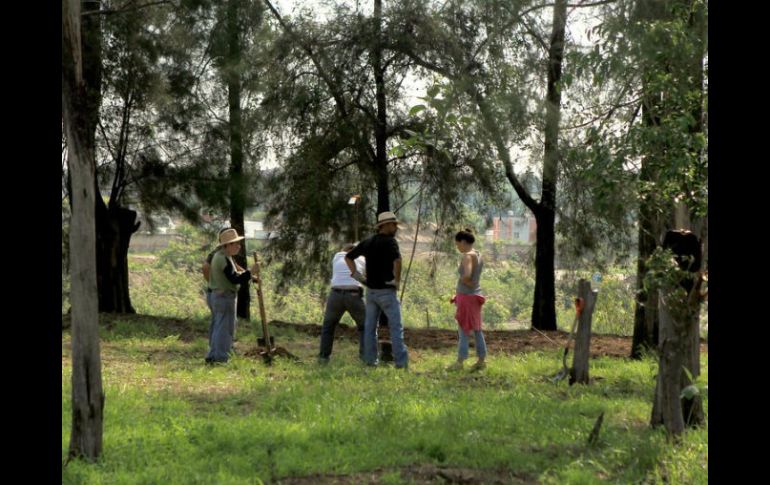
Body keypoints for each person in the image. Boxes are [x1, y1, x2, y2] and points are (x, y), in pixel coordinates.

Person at [345, 211, 409, 369]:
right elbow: (398, 260)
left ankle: (370, 361)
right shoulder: (390, 242)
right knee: (396, 327)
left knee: (370, 328)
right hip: (387, 290)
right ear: (385, 225)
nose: (395, 227)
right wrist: (397, 280)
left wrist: (357, 276)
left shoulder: (368, 242)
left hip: (371, 292)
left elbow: (348, 257)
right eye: (393, 224)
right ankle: (401, 363)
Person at [206, 228, 258, 364]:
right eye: (235, 243)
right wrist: (250, 272)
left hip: (219, 296)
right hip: (224, 297)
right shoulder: (222, 258)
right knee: (225, 328)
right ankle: (221, 358)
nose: (238, 246)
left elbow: (235, 274)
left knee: (218, 326)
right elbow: (234, 279)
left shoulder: (223, 256)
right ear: (227, 245)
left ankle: (213, 355)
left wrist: (249, 274)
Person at [446, 228, 488, 372]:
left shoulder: (467, 256)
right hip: (474, 297)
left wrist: (465, 284)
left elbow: (467, 276)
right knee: (477, 329)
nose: (457, 247)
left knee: (463, 329)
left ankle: (460, 360)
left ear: (463, 242)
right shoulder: (478, 254)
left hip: (467, 298)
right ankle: (482, 359)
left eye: (457, 244)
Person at [318, 244, 367, 363]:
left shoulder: (336, 257)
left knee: (328, 327)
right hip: (353, 294)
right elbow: (364, 275)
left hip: (335, 294)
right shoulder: (361, 258)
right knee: (365, 327)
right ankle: (366, 357)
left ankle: (323, 358)